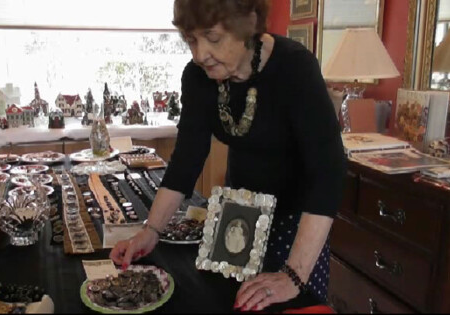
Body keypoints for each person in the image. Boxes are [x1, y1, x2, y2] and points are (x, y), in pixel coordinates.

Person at [110, 0, 345, 312]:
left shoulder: (295, 67)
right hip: (237, 218)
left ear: (247, 23)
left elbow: (328, 174)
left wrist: (293, 275)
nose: (199, 54)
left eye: (213, 37)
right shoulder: (197, 77)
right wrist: (151, 231)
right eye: (191, 39)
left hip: (297, 227)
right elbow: (185, 161)